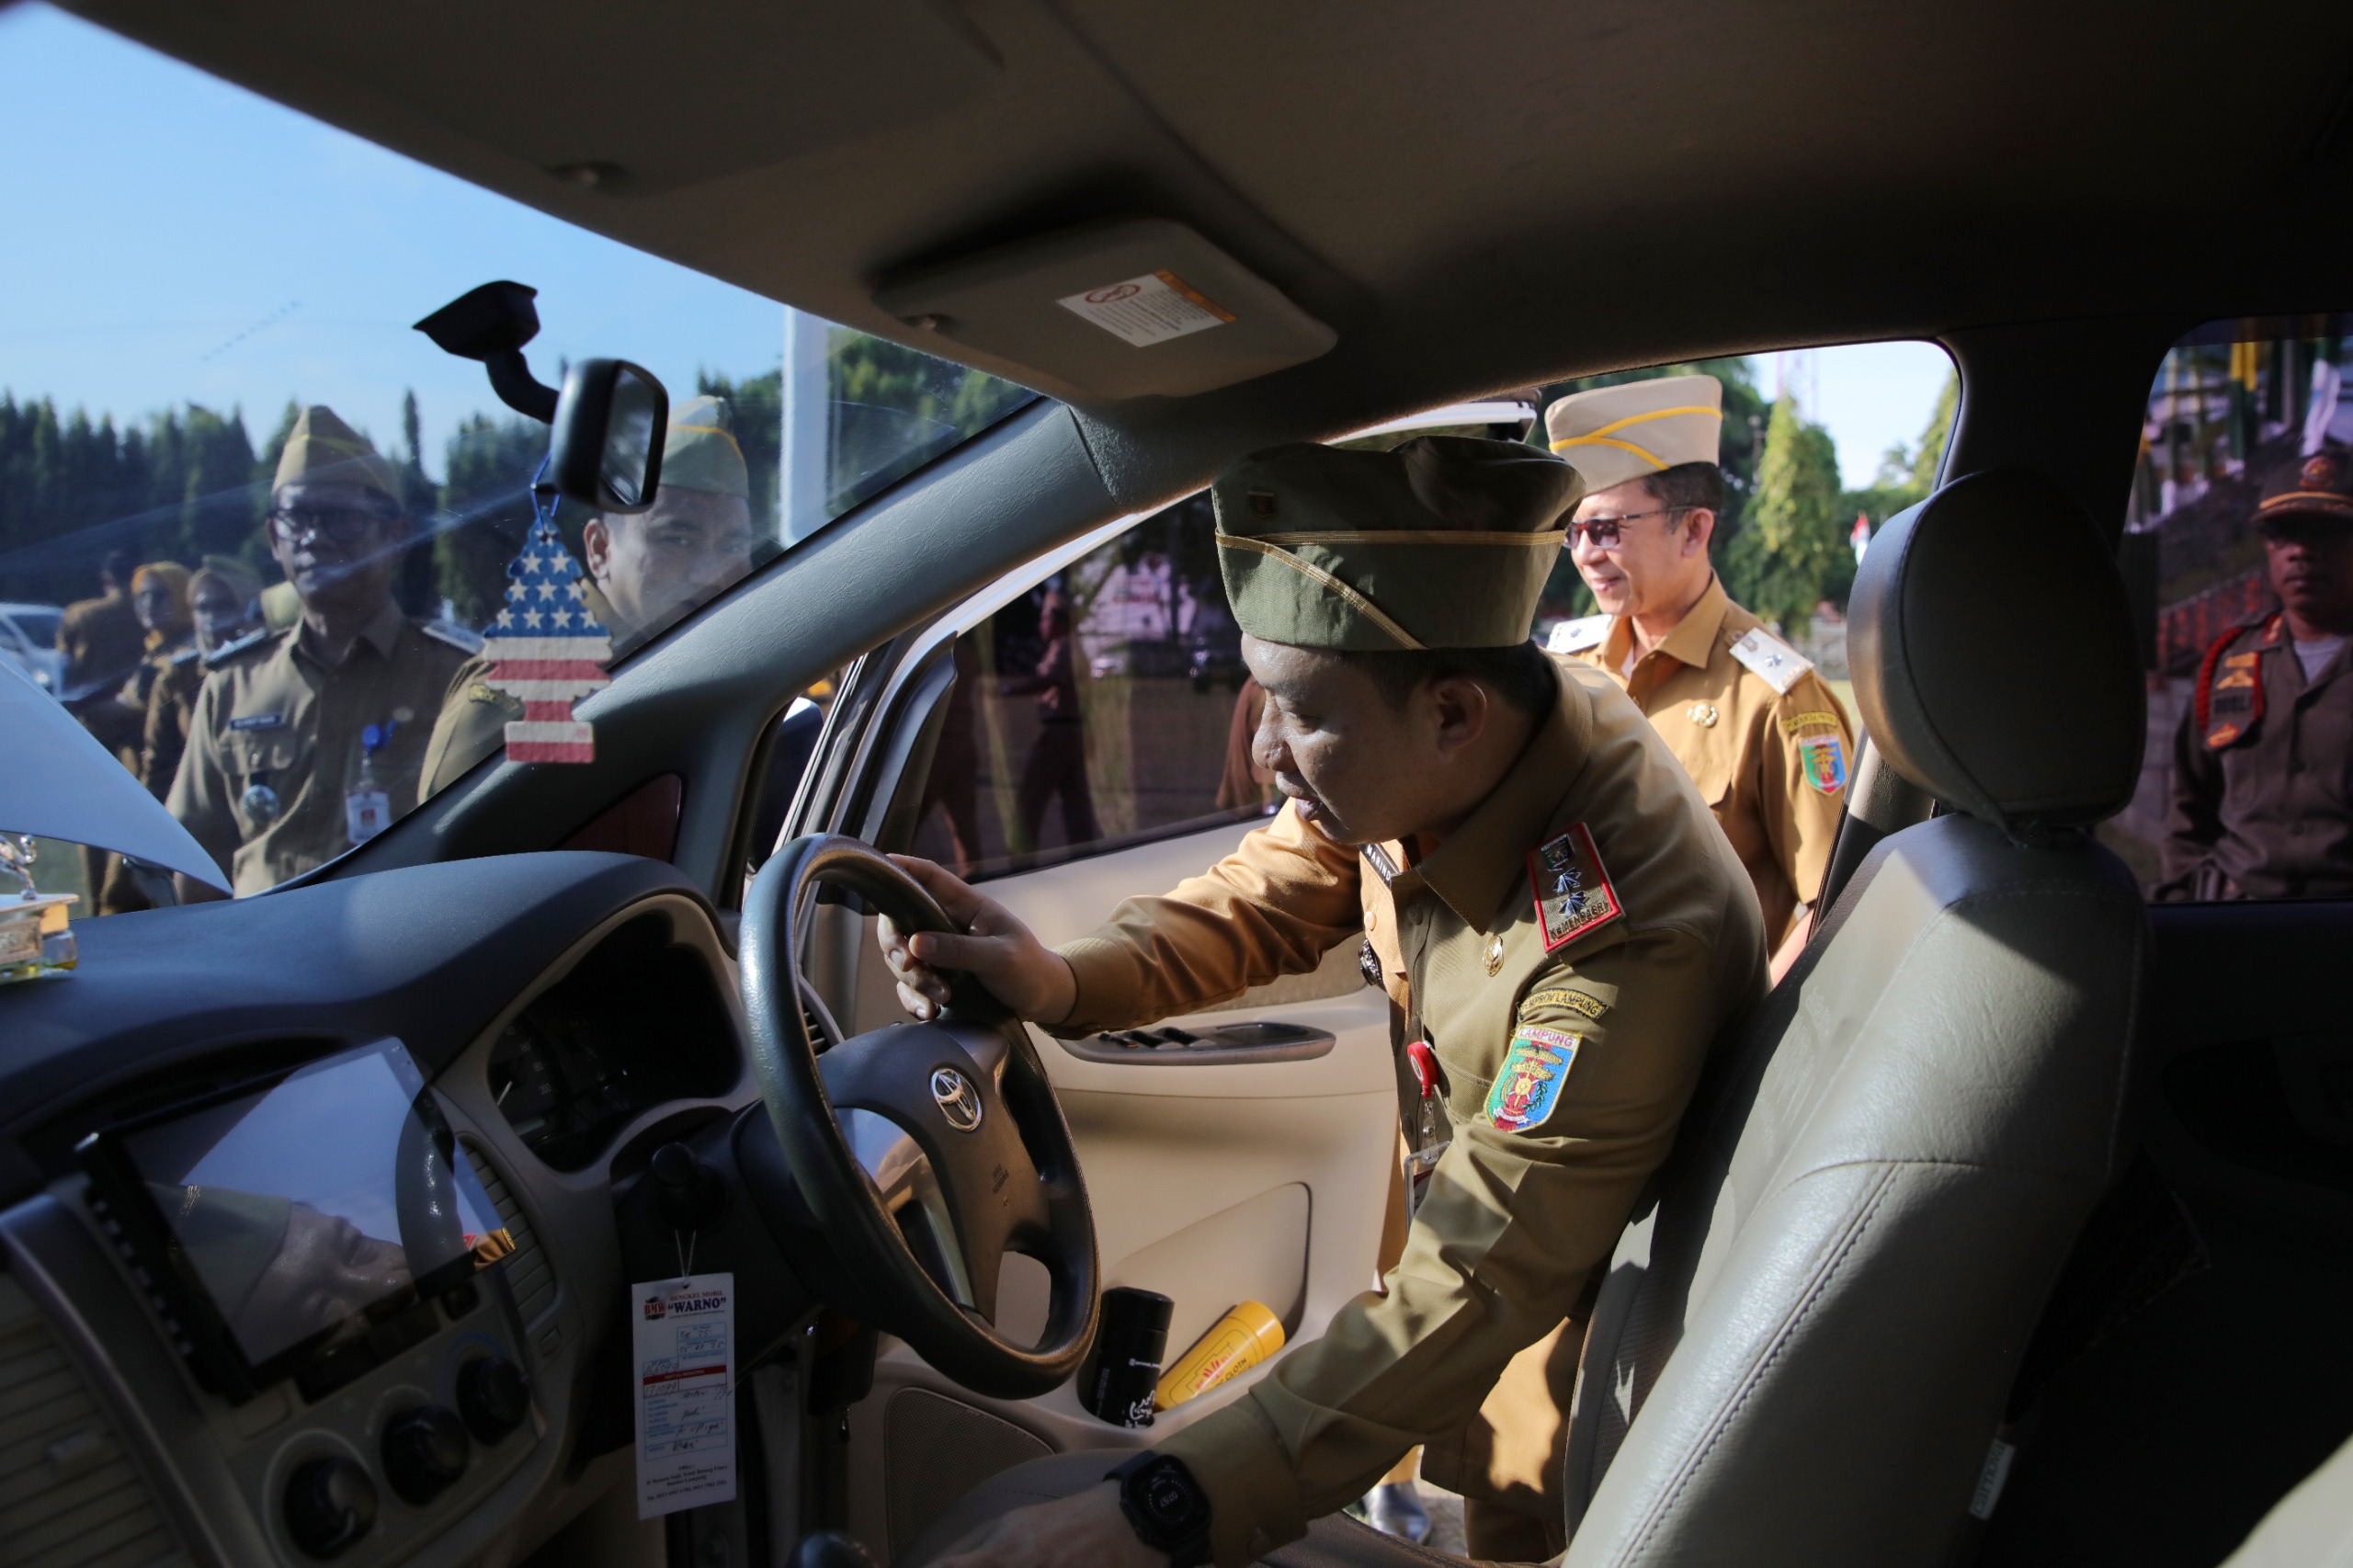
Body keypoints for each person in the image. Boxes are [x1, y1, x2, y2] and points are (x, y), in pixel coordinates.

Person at [878, 436, 1764, 1568]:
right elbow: (1274, 885)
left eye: (1295, 710)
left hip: (1604, 1367)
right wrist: (1060, 977)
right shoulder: (1475, 742)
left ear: (1450, 714)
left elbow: (1480, 1272)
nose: (1259, 753)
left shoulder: (1625, 938)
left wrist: (1160, 1504)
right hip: (1499, 1335)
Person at [1544, 374, 1854, 982]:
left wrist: (1758, 1038)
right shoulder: (1567, 669)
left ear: (1694, 530)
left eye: (1607, 530)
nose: (1585, 554)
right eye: (1574, 533)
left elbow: (1835, 903)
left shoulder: (1776, 697)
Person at [166, 406, 473, 898]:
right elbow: (194, 858)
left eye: (342, 519)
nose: (315, 538)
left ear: (395, 536)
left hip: (404, 949)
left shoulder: (458, 679)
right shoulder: (233, 686)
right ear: (273, 539)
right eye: (296, 519)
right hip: (260, 954)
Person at [417, 394, 758, 794]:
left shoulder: (709, 673)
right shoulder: (523, 688)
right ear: (599, 550)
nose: (711, 574)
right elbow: (448, 850)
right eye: (677, 539)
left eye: (733, 546)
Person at [2158, 449, 2353, 901]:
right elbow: (2189, 808)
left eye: (2325, 533)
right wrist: (2180, 898)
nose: (2301, 551)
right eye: (2284, 534)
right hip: (2241, 921)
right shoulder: (2231, 663)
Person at [98, 560, 265, 914]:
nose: (211, 618)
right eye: (202, 607)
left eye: (223, 606)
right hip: (199, 827)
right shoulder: (179, 676)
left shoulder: (273, 669)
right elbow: (157, 770)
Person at [1004, 588, 1100, 853]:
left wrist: (1010, 690)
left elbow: (1049, 680)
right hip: (1070, 731)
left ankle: (1020, 860)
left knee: (1030, 800)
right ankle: (1084, 855)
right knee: (1075, 802)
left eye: (1046, 617)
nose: (1041, 623)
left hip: (1058, 734)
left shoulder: (1065, 647)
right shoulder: (1064, 646)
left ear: (1060, 620)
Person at [54, 547, 144, 701]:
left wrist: (63, 702)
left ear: (105, 579)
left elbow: (64, 666)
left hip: (89, 707)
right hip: (138, 704)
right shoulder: (149, 611)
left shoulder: (78, 614)